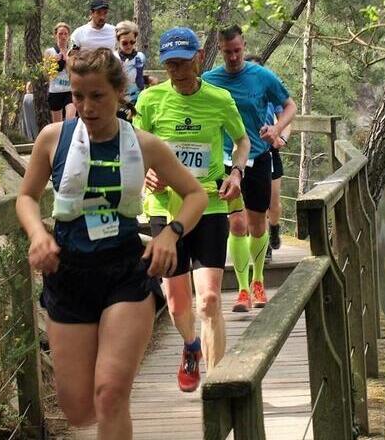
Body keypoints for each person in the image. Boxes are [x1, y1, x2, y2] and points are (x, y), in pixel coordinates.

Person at [16, 47, 207, 439]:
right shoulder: (53, 139)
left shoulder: (144, 144)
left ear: (120, 92)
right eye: (77, 96)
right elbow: (26, 197)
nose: (86, 107)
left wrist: (171, 233)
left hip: (125, 273)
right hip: (67, 273)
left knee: (110, 393)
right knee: (78, 408)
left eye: (97, 96)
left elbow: (196, 195)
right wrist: (38, 234)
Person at [135, 27, 250, 392]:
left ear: (199, 58)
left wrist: (236, 172)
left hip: (211, 206)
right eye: (170, 65)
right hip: (165, 210)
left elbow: (243, 140)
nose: (178, 71)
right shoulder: (151, 101)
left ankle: (218, 384)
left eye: (184, 63)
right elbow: (135, 147)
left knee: (210, 299)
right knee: (175, 302)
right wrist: (148, 174)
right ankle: (190, 346)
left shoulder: (218, 99)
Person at [203, 25, 297, 312]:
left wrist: (277, 129)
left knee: (257, 224)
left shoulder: (261, 76)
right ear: (219, 49)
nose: (233, 57)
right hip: (225, 161)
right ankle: (243, 290)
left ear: (244, 45)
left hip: (258, 156)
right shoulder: (209, 80)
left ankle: (258, 281)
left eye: (237, 51)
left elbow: (289, 105)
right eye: (227, 52)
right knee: (237, 223)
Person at [245, 55, 290, 263]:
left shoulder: (270, 92)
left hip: (270, 150)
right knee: (256, 203)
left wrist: (281, 137)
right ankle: (263, 248)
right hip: (248, 152)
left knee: (273, 200)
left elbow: (286, 118)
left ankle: (274, 228)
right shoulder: (239, 92)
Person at [44, 22, 74, 122]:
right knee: (57, 125)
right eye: (60, 34)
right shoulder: (49, 52)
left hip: (69, 91)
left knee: (70, 121)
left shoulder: (72, 52)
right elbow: (46, 74)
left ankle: (70, 137)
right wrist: (53, 62)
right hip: (55, 91)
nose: (63, 36)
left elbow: (75, 72)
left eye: (65, 34)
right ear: (55, 35)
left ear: (69, 36)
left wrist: (67, 60)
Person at [115, 20, 146, 117]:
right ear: (118, 41)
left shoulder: (140, 57)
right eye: (125, 43)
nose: (129, 46)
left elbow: (139, 81)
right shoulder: (113, 57)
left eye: (132, 42)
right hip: (119, 101)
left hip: (137, 99)